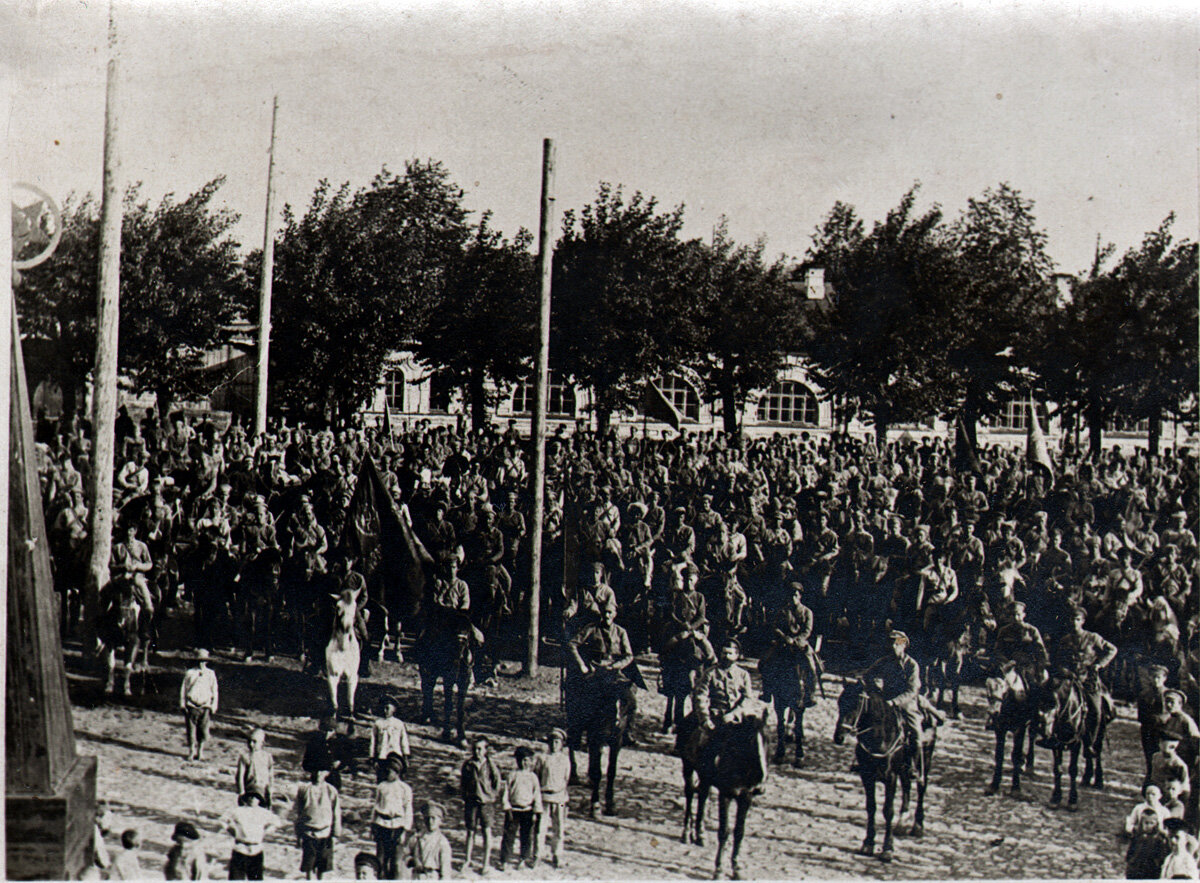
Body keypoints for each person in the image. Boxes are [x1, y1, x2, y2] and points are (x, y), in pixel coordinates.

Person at [567, 602, 639, 739]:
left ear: (615, 614)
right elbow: (572, 644)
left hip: (615, 673)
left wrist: (616, 665)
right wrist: (582, 664)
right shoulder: (591, 629)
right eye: (604, 612)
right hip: (596, 671)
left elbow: (629, 656)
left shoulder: (620, 632)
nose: (607, 615)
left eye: (610, 612)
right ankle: (581, 733)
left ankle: (627, 733)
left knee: (630, 700)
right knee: (585, 701)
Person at [862, 629, 925, 776]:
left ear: (904, 646)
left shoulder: (911, 665)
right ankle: (864, 759)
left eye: (897, 644)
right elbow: (868, 675)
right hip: (885, 701)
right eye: (891, 643)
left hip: (906, 703)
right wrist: (876, 689)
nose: (893, 646)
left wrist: (895, 702)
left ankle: (914, 767)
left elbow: (913, 690)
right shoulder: (884, 662)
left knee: (916, 732)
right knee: (867, 724)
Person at [691, 637, 756, 770]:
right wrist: (705, 719)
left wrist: (734, 714)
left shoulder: (743, 674)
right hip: (715, 718)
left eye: (730, 653)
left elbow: (748, 698)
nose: (726, 656)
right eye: (724, 653)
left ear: (737, 655)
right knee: (702, 748)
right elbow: (700, 696)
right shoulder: (710, 673)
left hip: (736, 720)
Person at [461, 735, 502, 874]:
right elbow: (463, 783)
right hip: (471, 803)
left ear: (485, 750)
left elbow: (497, 782)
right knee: (470, 831)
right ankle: (467, 860)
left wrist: (491, 796)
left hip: (486, 804)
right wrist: (466, 797)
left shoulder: (490, 765)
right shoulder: (468, 764)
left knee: (486, 832)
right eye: (475, 749)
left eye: (480, 749)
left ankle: (485, 863)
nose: (477, 751)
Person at [499, 746, 544, 870]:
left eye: (528, 760)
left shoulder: (533, 777)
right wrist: (507, 807)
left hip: (527, 810)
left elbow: (537, 795)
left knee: (526, 836)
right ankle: (504, 860)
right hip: (513, 810)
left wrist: (537, 811)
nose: (525, 763)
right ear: (518, 761)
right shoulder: (512, 775)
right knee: (509, 836)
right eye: (523, 760)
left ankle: (523, 859)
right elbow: (506, 792)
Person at [293, 765, 341, 880]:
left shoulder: (331, 790)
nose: (319, 774)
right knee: (309, 863)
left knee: (323, 864)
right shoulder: (304, 789)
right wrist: (299, 835)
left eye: (322, 771)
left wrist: (335, 834)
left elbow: (336, 813)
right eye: (316, 770)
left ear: (327, 773)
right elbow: (298, 813)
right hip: (309, 832)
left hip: (325, 832)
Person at [533, 729, 571, 869]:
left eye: (557, 742)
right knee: (540, 827)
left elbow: (566, 778)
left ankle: (557, 855)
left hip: (559, 797)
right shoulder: (543, 758)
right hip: (544, 797)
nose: (554, 745)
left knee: (559, 827)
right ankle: (537, 854)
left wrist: (559, 790)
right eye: (552, 742)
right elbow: (536, 777)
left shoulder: (565, 759)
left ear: (561, 744)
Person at [372, 754, 413, 880]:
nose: (386, 774)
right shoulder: (381, 787)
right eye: (385, 771)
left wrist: (405, 831)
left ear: (397, 772)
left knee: (396, 862)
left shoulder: (405, 788)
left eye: (389, 771)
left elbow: (408, 810)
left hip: (397, 826)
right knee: (380, 860)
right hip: (382, 825)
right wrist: (373, 825)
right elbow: (375, 807)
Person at [221, 791, 279, 881]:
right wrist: (230, 830)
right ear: (246, 798)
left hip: (256, 849)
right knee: (236, 878)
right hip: (240, 848)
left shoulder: (264, 812)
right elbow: (222, 820)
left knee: (256, 879)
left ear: (259, 800)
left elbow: (276, 822)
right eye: (250, 796)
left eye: (255, 797)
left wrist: (265, 832)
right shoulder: (238, 811)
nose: (252, 799)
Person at [180, 649, 219, 761]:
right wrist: (182, 703)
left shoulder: (210, 674)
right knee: (191, 730)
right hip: (192, 705)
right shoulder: (190, 673)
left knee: (203, 730)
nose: (202, 663)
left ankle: (200, 752)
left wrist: (214, 705)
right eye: (200, 661)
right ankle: (192, 751)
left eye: (204, 661)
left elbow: (214, 690)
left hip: (205, 706)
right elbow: (184, 689)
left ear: (207, 662)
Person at [406, 802, 453, 879]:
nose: (430, 821)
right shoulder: (416, 837)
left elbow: (446, 870)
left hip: (432, 876)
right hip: (416, 876)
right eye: (427, 818)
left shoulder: (442, 842)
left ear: (440, 821)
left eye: (433, 818)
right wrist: (413, 860)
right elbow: (405, 855)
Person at [369, 697, 411, 782]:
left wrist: (405, 756)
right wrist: (372, 757)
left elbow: (404, 741)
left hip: (395, 756)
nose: (385, 711)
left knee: (395, 779)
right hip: (382, 756)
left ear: (394, 709)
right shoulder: (378, 723)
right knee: (382, 779)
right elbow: (373, 741)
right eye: (384, 708)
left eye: (387, 708)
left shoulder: (399, 723)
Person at [235, 728, 274, 808]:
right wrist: (241, 792)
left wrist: (270, 791)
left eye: (254, 741)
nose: (251, 744)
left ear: (262, 743)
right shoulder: (245, 757)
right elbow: (240, 776)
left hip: (264, 790)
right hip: (251, 791)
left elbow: (270, 775)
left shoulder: (267, 757)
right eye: (249, 741)